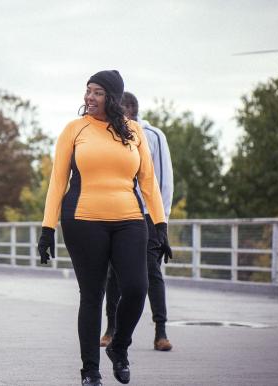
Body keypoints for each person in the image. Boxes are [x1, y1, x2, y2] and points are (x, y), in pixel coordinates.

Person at [37, 70, 173, 386]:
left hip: (129, 220)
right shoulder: (74, 129)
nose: (89, 97)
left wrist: (160, 223)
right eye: (88, 91)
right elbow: (58, 181)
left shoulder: (134, 131)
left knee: (137, 288)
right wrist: (48, 228)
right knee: (92, 295)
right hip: (83, 220)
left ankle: (119, 347)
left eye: (97, 92)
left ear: (111, 98)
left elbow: (149, 182)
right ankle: (90, 371)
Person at [101, 91, 175, 352]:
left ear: (128, 109)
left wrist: (161, 221)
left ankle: (160, 331)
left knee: (151, 272)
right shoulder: (109, 133)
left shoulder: (153, 135)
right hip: (118, 214)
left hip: (147, 216)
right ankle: (111, 329)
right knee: (113, 275)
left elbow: (163, 181)